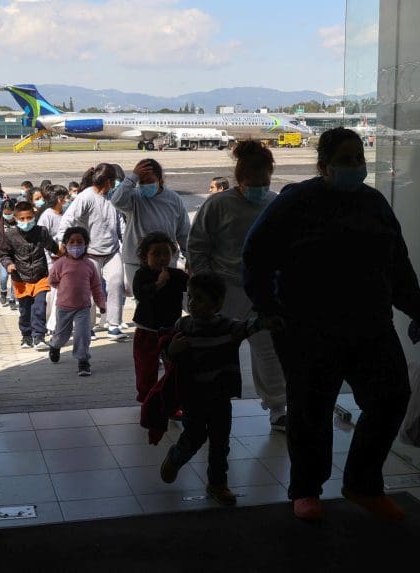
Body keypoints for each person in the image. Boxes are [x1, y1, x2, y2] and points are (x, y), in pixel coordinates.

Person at [242, 127, 420, 522]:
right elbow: (256, 255)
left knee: (392, 397)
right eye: (345, 160)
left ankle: (362, 484)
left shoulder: (374, 203)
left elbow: (397, 263)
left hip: (370, 324)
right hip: (309, 327)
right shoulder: (298, 202)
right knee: (311, 408)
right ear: (323, 165)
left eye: (358, 158)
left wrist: (417, 308)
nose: (354, 166)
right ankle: (307, 490)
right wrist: (267, 306)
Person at [188, 140, 288, 431]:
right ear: (238, 179)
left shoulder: (274, 202)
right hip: (224, 288)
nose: (259, 187)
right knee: (215, 350)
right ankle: (207, 404)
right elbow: (198, 246)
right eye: (252, 182)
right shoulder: (218, 204)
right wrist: (205, 284)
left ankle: (278, 408)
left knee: (268, 351)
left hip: (263, 289)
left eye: (264, 182)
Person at [158, 272, 277, 506]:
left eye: (199, 299)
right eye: (190, 297)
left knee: (220, 442)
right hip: (192, 397)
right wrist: (172, 350)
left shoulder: (228, 327)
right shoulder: (183, 326)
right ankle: (176, 456)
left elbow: (250, 326)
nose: (192, 303)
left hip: (220, 397)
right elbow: (168, 357)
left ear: (217, 303)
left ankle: (217, 484)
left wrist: (267, 321)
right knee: (194, 436)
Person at [55, 163, 128, 340]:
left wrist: (125, 239)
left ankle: (114, 324)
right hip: (90, 253)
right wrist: (61, 242)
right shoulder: (85, 197)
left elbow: (120, 221)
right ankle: (88, 327)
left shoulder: (112, 197)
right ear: (108, 181)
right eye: (114, 181)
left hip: (112, 251)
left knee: (116, 284)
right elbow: (67, 220)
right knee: (88, 290)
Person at [108, 158, 190, 293]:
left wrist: (189, 257)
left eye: (150, 181)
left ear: (160, 180)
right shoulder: (134, 197)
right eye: (142, 182)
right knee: (143, 301)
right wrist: (133, 177)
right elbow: (116, 200)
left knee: (167, 300)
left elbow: (184, 231)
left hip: (166, 261)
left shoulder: (174, 199)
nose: (145, 185)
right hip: (136, 262)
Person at [131, 232, 189, 404]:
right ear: (144, 256)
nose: (162, 258)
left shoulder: (177, 275)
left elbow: (193, 285)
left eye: (166, 253)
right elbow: (140, 294)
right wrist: (158, 284)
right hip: (147, 330)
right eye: (156, 254)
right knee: (145, 369)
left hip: (171, 330)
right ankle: (148, 401)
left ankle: (171, 401)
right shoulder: (141, 274)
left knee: (174, 368)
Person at [0, 201, 60, 349]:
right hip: (20, 278)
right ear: (16, 219)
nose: (26, 221)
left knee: (39, 306)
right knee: (25, 309)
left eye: (29, 218)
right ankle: (26, 336)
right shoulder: (10, 235)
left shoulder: (41, 231)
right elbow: (3, 254)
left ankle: (39, 336)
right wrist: (9, 265)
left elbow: (52, 247)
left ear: (34, 216)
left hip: (40, 275)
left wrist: (66, 255)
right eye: (22, 219)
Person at [48, 226, 107, 377]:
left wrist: (101, 304)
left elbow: (96, 287)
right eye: (72, 242)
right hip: (64, 307)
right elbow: (53, 280)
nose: (75, 245)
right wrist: (63, 289)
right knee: (62, 335)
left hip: (83, 308)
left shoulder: (90, 265)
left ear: (86, 244)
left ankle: (83, 361)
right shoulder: (60, 264)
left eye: (79, 242)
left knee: (83, 334)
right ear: (66, 244)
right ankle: (55, 345)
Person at [39, 185, 69, 335]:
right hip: (49, 260)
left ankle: (54, 324)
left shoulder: (67, 214)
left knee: (60, 293)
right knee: (50, 294)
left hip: (65, 259)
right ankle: (45, 322)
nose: (67, 200)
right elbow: (41, 240)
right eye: (65, 197)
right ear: (59, 199)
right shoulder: (47, 216)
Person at [0, 199, 18, 309]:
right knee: (3, 277)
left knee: (15, 277)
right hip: (3, 253)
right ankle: (3, 292)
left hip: (16, 254)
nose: (8, 215)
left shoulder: (18, 220)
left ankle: (13, 299)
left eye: (10, 213)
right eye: (5, 213)